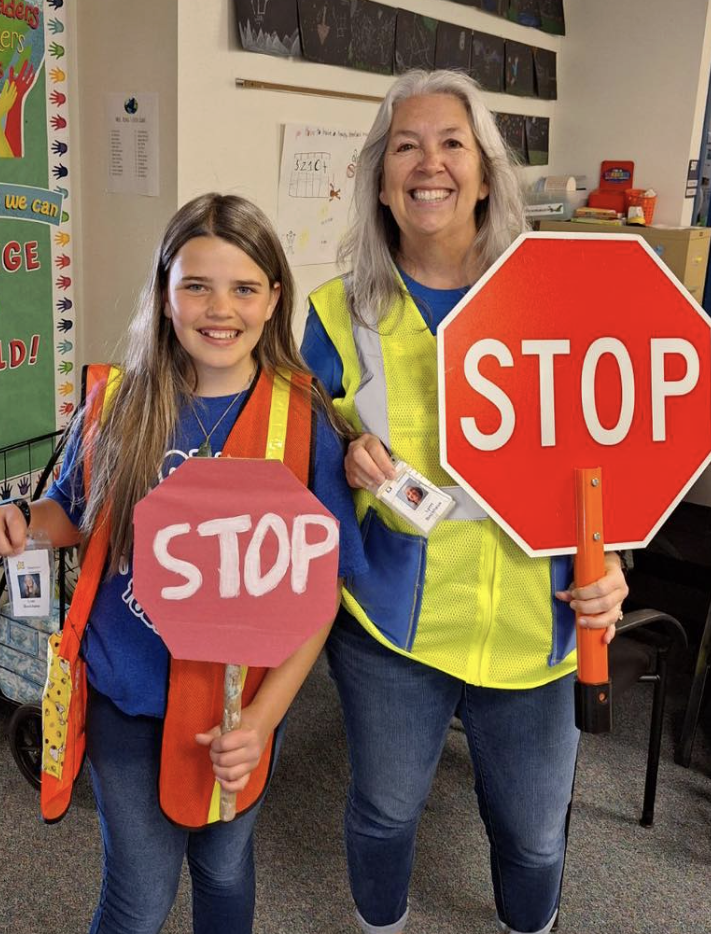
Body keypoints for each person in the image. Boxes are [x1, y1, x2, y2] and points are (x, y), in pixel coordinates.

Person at [302, 70, 628, 934]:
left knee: (531, 843)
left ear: (486, 172)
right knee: (383, 814)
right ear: (379, 177)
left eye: (453, 143)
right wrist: (343, 452)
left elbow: (613, 456)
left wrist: (616, 561)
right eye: (405, 145)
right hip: (391, 630)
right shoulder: (338, 313)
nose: (429, 163)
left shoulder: (564, 297)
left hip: (540, 627)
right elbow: (301, 450)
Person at [0, 193, 366, 934]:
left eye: (243, 287)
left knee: (226, 868)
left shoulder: (306, 424)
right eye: (195, 284)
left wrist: (264, 720)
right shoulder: (120, 405)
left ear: (272, 301)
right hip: (126, 698)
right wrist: (19, 525)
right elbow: (73, 513)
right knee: (137, 894)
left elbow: (316, 593)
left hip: (239, 706)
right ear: (165, 296)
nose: (218, 307)